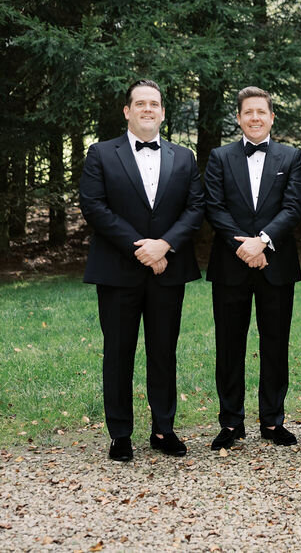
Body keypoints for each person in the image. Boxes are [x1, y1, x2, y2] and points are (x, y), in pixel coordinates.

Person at [80, 79, 204, 461]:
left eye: (154, 104)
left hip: (169, 269)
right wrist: (143, 248)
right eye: (140, 103)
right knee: (118, 352)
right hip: (117, 270)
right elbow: (95, 207)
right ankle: (120, 434)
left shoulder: (184, 157)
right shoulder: (100, 153)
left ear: (163, 112)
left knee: (163, 352)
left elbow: (195, 208)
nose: (148, 109)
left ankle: (163, 430)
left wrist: (164, 245)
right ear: (127, 111)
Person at [204, 86, 301, 450]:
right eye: (248, 112)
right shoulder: (219, 157)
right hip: (231, 266)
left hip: (275, 264)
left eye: (261, 112)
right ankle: (231, 423)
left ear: (272, 117)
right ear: (239, 117)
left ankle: (273, 420)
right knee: (229, 345)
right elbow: (214, 207)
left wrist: (262, 241)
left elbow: (294, 206)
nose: (255, 118)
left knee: (276, 343)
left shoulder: (291, 157)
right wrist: (243, 246)